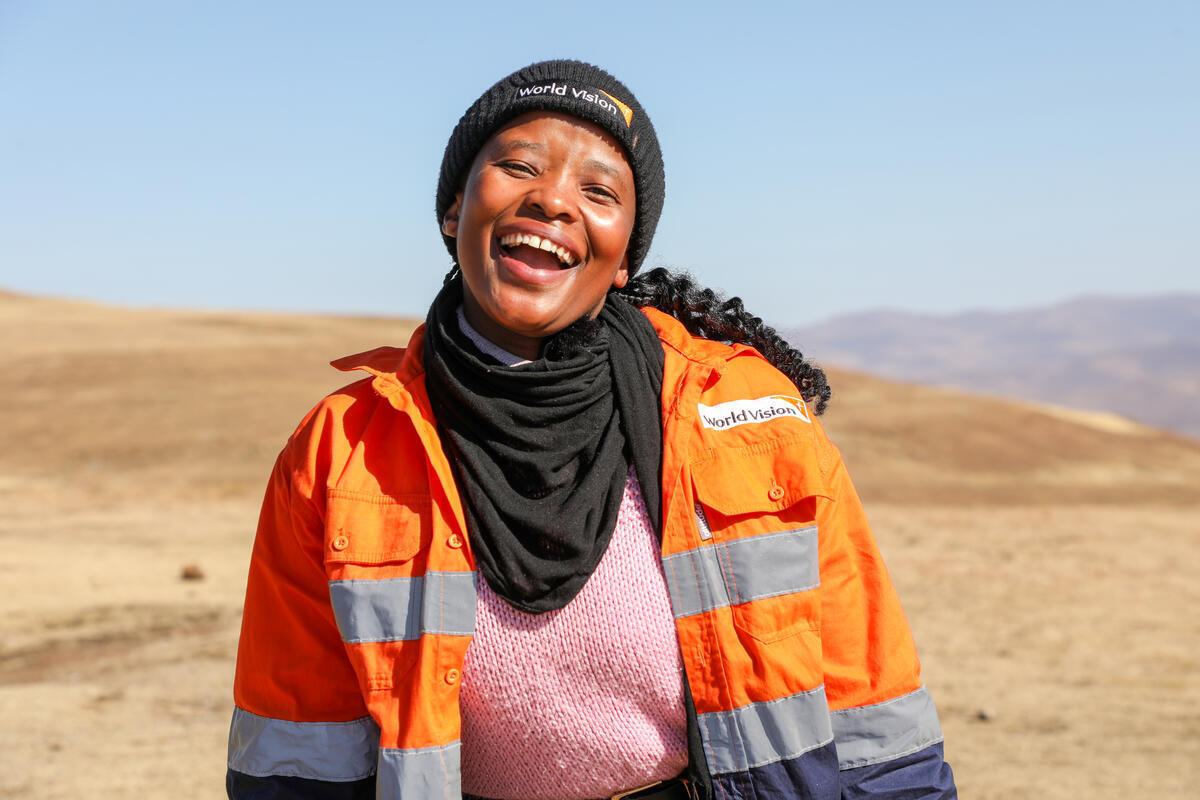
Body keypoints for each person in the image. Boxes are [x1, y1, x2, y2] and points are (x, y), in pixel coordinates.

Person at [225, 59, 957, 800]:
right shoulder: (340, 450)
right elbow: (297, 755)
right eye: (517, 166)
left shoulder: (748, 416)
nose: (552, 200)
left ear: (622, 259)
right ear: (453, 212)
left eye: (598, 190)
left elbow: (873, 710)